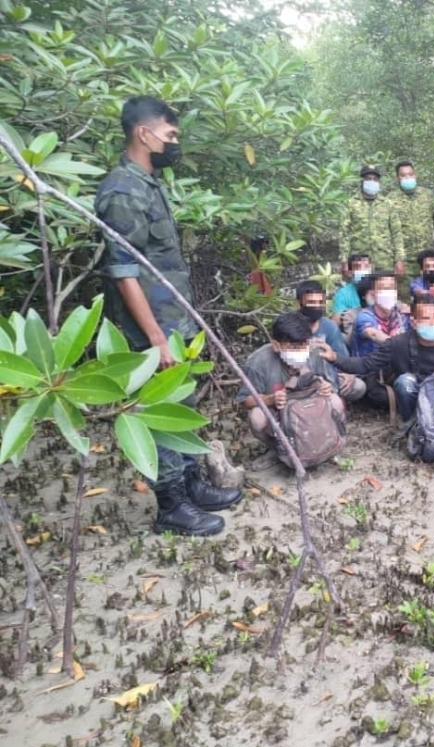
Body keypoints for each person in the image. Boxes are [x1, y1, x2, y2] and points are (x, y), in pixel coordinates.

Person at [95, 95, 241, 537]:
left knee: (181, 405)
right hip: (151, 328)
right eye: (171, 134)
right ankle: (172, 505)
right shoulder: (122, 191)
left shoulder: (150, 183)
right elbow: (124, 274)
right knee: (159, 410)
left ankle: (191, 484)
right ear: (144, 133)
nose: (175, 142)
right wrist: (156, 338)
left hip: (173, 318)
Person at [327, 294, 434, 422]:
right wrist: (334, 357)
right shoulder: (398, 343)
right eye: (425, 318)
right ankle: (413, 424)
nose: (432, 323)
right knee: (404, 381)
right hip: (417, 392)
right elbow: (365, 364)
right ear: (413, 322)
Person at [237, 313, 345, 470]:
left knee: (336, 401)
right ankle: (278, 452)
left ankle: (331, 442)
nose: (301, 350)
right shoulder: (258, 361)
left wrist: (325, 386)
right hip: (280, 411)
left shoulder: (315, 352)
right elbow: (244, 401)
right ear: (276, 345)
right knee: (257, 418)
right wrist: (270, 399)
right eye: (293, 346)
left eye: (304, 344)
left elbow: (326, 380)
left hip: (311, 402)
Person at [295, 280, 366, 403]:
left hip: (326, 375)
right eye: (311, 302)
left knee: (358, 387)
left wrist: (349, 374)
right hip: (295, 375)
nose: (316, 306)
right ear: (299, 303)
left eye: (320, 302)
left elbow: (342, 357)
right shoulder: (289, 324)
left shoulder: (329, 326)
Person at [340, 165, 405, 274]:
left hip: (384, 262)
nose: (372, 181)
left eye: (375, 179)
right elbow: (344, 233)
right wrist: (344, 260)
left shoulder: (388, 204)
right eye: (368, 179)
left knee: (385, 290)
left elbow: (396, 233)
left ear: (379, 182)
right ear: (361, 181)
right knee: (360, 290)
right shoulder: (350, 204)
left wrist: (399, 259)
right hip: (359, 262)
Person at [389, 160, 434, 277]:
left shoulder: (427, 195)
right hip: (405, 260)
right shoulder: (390, 200)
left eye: (410, 174)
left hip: (428, 259)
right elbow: (388, 231)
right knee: (405, 293)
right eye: (403, 175)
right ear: (397, 178)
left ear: (415, 175)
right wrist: (397, 259)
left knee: (430, 292)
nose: (407, 177)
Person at [351, 271, 409, 357]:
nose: (389, 292)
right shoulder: (365, 316)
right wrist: (400, 346)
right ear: (373, 293)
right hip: (369, 367)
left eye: (392, 288)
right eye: (384, 288)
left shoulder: (402, 316)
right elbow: (373, 334)